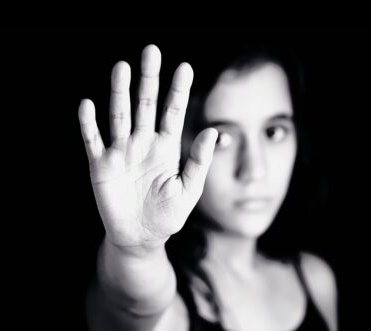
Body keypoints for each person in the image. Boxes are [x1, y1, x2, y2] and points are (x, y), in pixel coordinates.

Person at [78, 43, 337, 331]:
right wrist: (137, 253)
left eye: (273, 132)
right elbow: (133, 307)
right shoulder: (172, 312)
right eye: (222, 138)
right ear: (177, 143)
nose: (254, 170)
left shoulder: (315, 280)